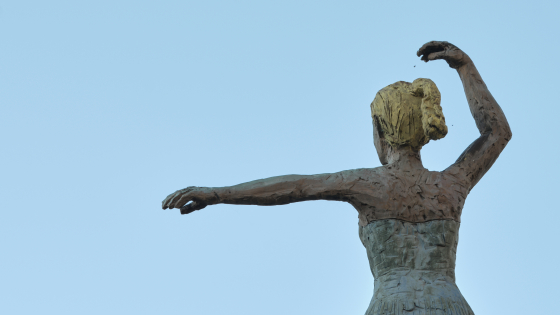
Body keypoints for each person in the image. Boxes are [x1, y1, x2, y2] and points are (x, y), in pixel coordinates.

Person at [162, 41, 511, 315]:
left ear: (379, 130)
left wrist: (219, 193)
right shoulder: (451, 185)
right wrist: (464, 66)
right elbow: (497, 133)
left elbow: (294, 186)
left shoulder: (368, 184)